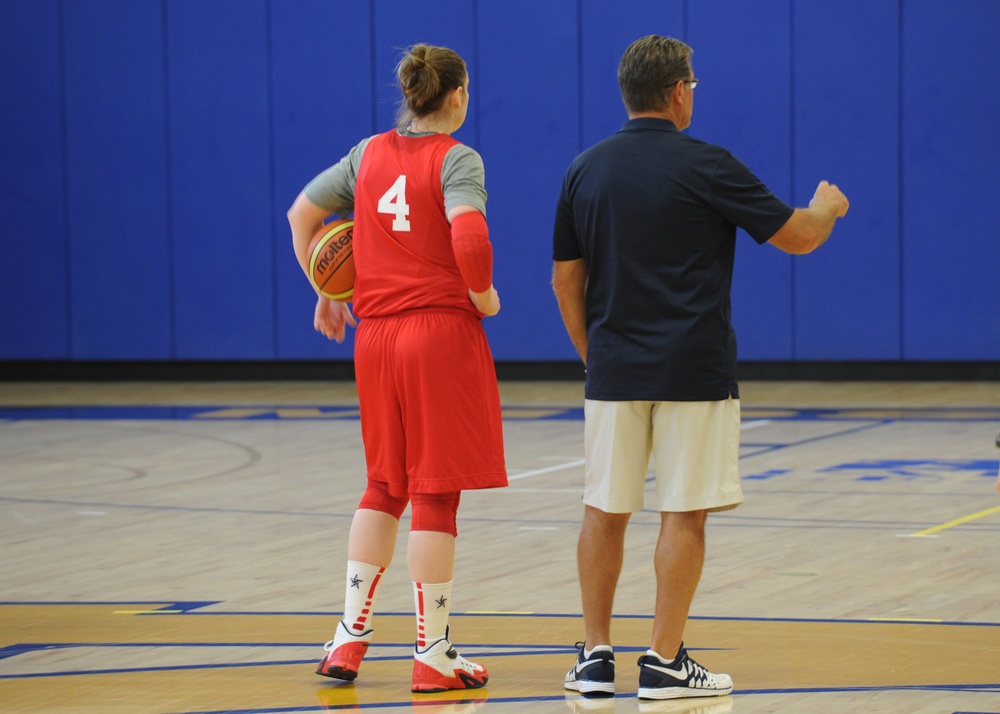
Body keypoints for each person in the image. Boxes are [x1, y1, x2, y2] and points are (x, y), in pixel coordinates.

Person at [552, 35, 848, 701]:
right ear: (680, 90)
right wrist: (826, 209)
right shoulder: (708, 165)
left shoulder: (584, 170)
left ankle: (595, 658)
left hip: (614, 371)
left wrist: (593, 357)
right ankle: (662, 660)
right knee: (683, 514)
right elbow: (797, 236)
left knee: (603, 511)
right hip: (694, 369)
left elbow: (564, 282)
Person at [287, 44, 507, 693]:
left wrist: (327, 290)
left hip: (375, 338)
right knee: (435, 493)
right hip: (436, 334)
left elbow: (303, 215)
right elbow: (469, 237)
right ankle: (432, 653)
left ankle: (347, 641)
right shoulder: (457, 158)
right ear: (458, 95)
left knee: (384, 485)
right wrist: (485, 296)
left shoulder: (366, 154)